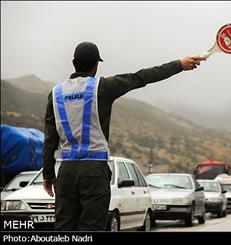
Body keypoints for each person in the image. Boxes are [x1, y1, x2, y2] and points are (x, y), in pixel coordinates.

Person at [42, 41, 205, 231]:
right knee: (92, 227)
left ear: (73, 62)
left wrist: (48, 175)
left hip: (66, 171)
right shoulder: (103, 87)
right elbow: (141, 77)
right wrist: (179, 65)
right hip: (94, 171)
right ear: (96, 64)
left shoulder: (55, 94)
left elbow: (49, 140)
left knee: (64, 227)